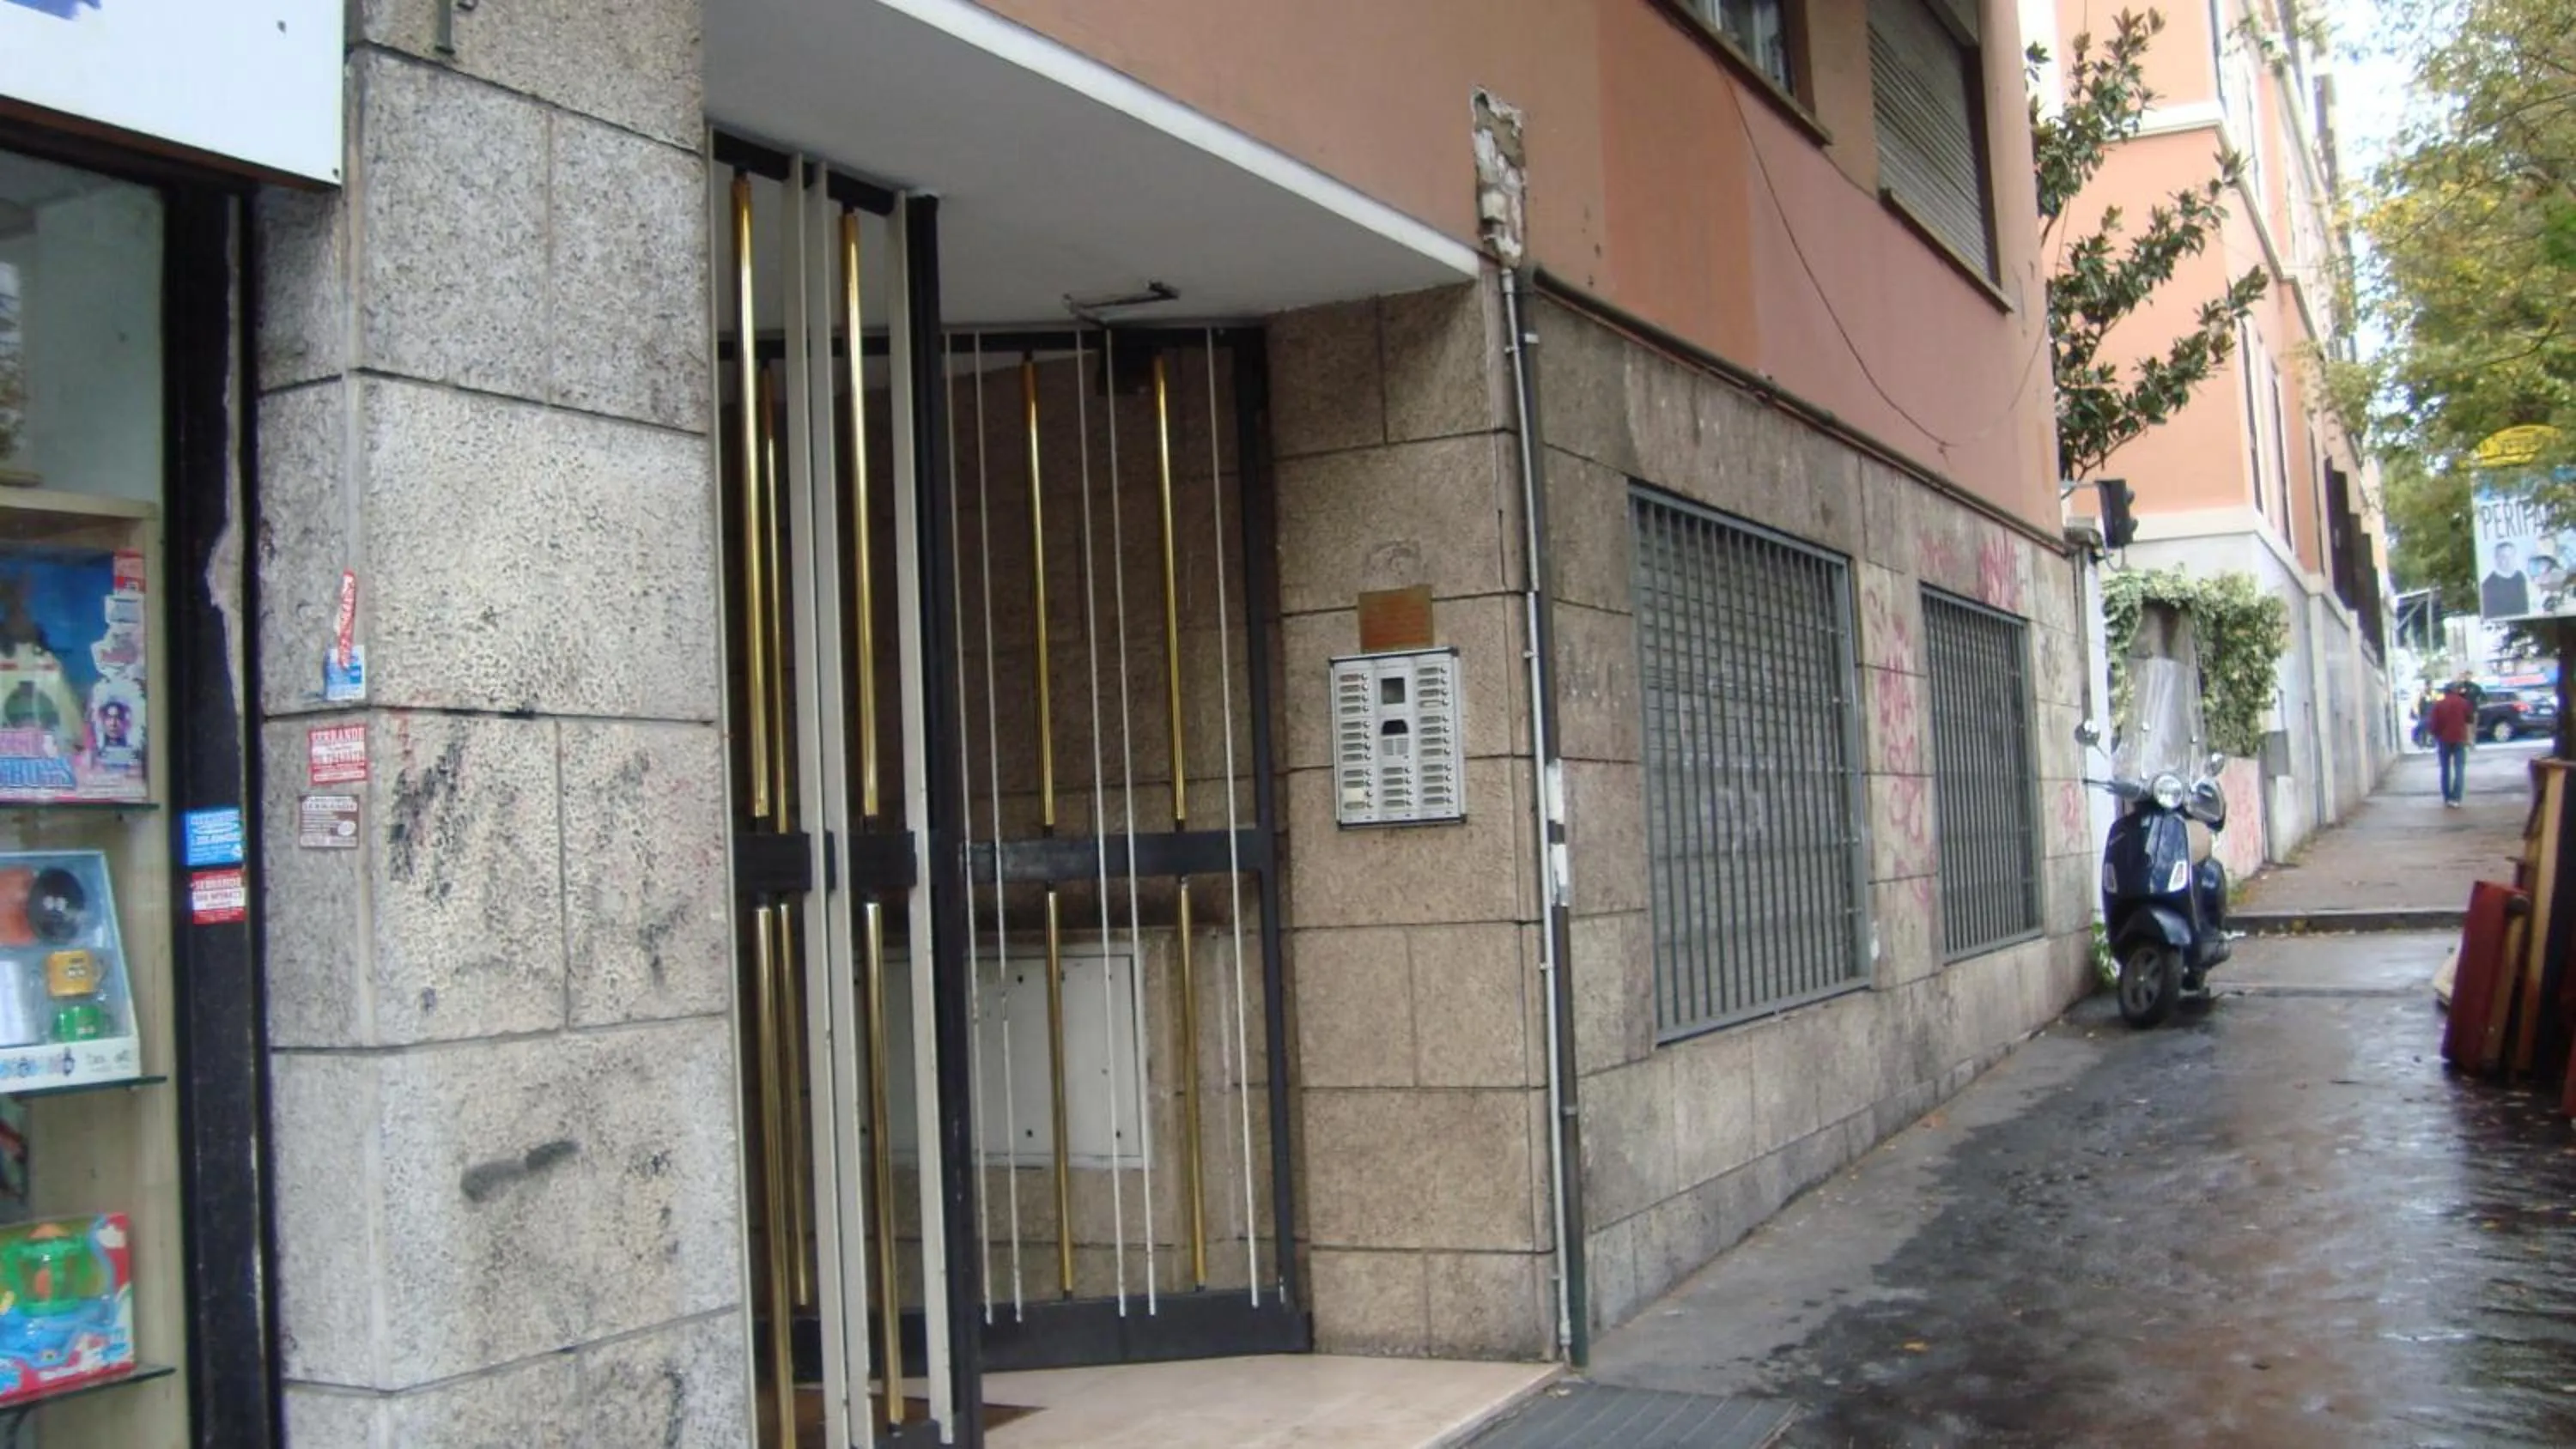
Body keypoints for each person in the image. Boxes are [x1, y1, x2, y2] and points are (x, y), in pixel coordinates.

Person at [2429, 681, 2476, 808]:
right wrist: (2470, 738)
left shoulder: (2439, 705)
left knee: (2445, 769)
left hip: (2444, 740)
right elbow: (2470, 721)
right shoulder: (2464, 703)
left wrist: (2436, 736)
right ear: (2456, 691)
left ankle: (2447, 797)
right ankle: (2456, 798)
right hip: (2460, 739)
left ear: (2445, 692)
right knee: (2459, 768)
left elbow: (2434, 725)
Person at [2483, 541, 2533, 618]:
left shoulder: (2520, 577)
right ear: (2496, 559)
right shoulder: (2489, 585)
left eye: (2511, 556)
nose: (2509, 561)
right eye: (2504, 557)